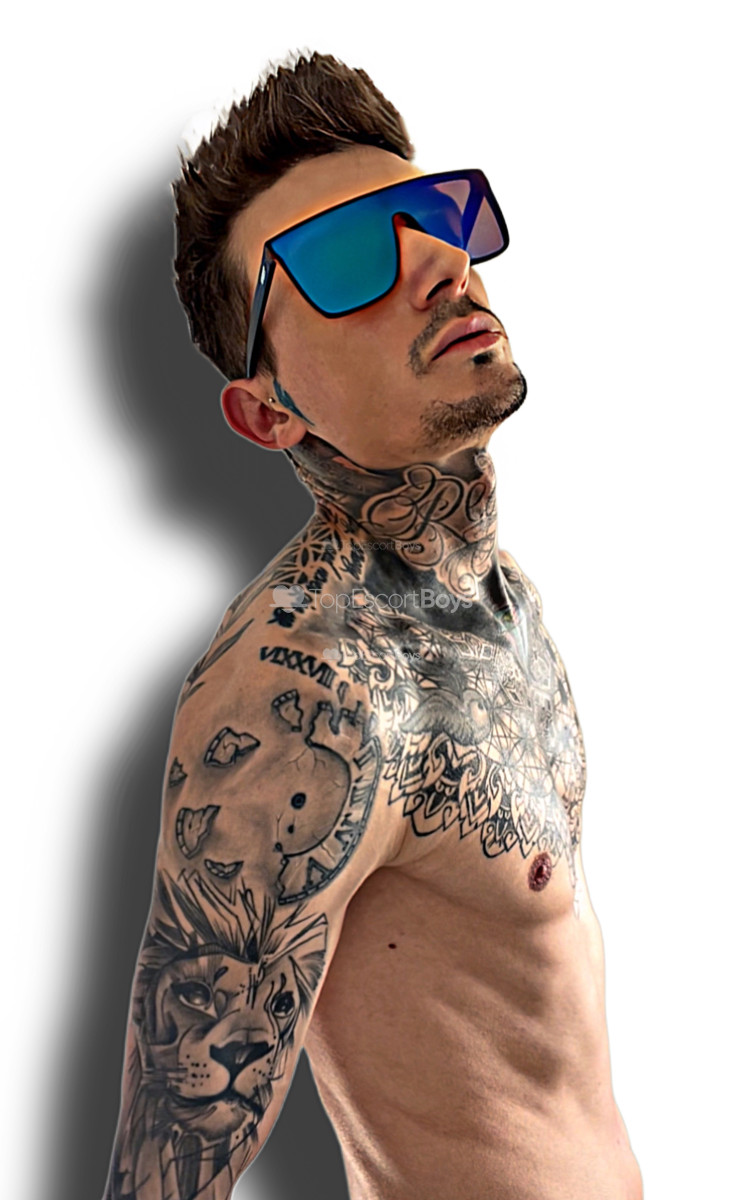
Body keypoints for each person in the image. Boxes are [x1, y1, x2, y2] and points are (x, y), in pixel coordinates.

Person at [101, 49, 644, 1200]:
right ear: (265, 414)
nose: (438, 266)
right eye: (348, 259)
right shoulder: (306, 685)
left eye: (431, 217)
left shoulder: (504, 603)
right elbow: (169, 1166)